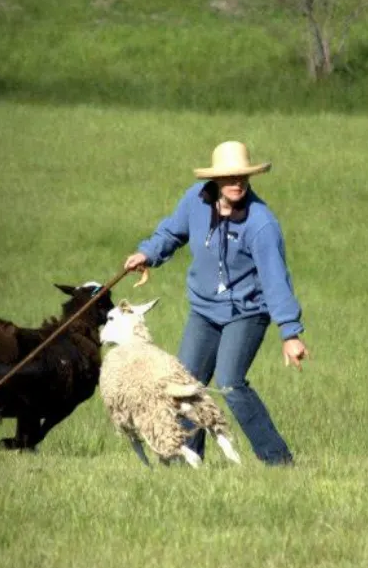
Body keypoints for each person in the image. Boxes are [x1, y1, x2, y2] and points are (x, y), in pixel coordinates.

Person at [123, 140, 308, 465]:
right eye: (229, 177)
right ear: (216, 180)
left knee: (230, 383)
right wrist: (148, 254)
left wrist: (290, 333)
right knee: (184, 385)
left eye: (242, 177)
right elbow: (171, 233)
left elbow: (276, 279)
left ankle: (279, 461)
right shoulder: (194, 202)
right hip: (204, 311)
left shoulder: (261, 224)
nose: (237, 183)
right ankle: (186, 462)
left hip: (247, 313)